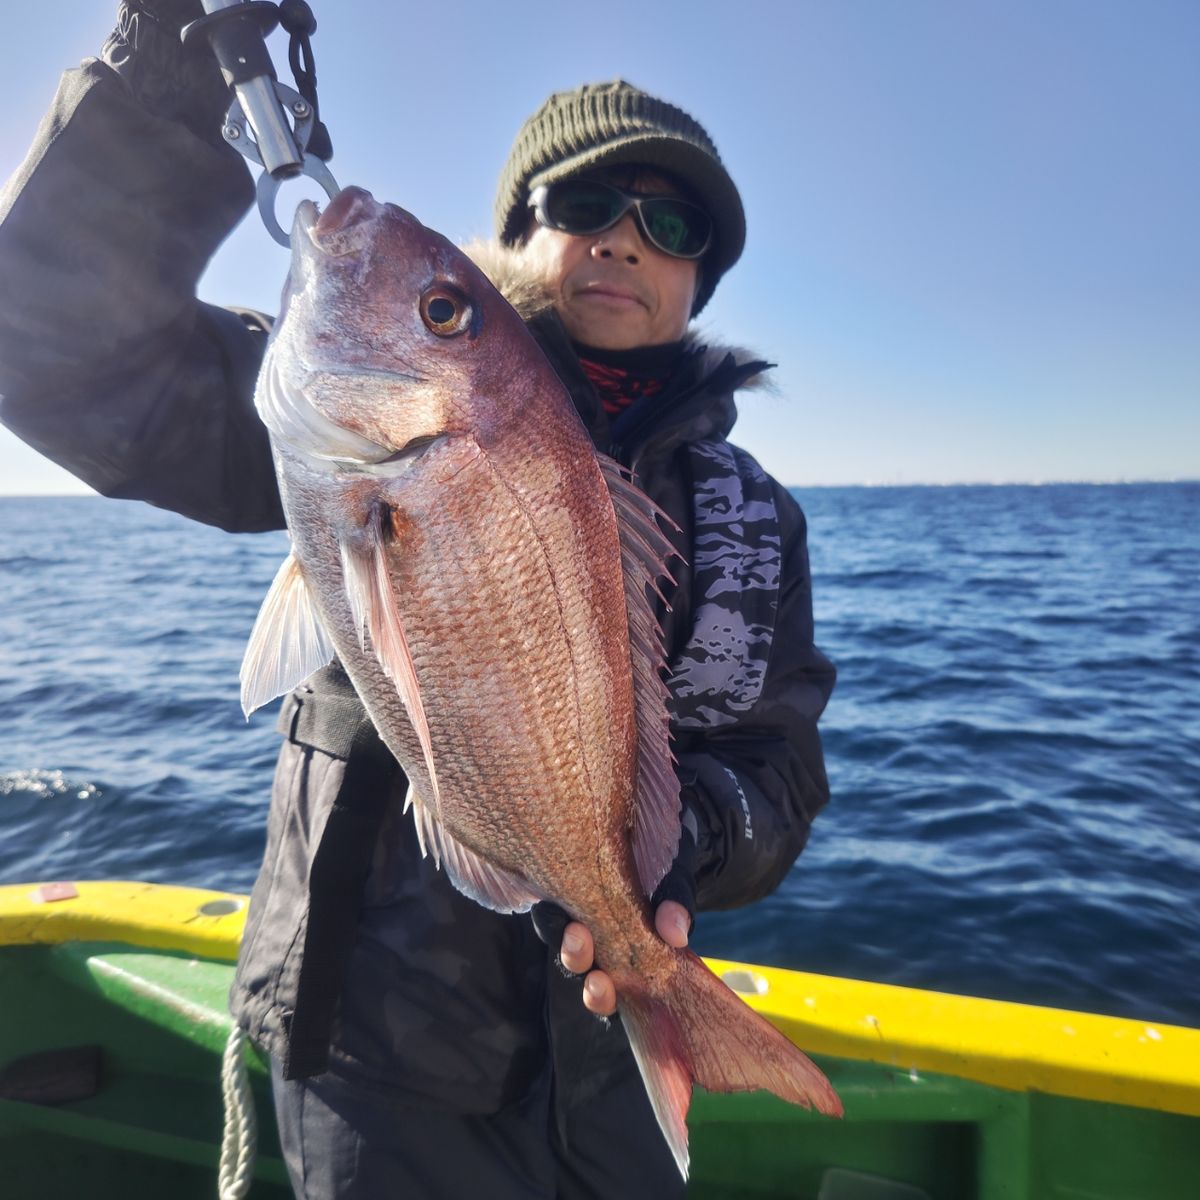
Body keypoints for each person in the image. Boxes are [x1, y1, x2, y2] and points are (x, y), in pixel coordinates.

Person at [0, 4, 836, 1197]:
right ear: (515, 234)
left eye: (671, 222)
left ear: (700, 275)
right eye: (584, 205)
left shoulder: (751, 519)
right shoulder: (341, 403)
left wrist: (674, 853)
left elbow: (778, 769)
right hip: (370, 1059)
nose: (624, 241)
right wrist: (157, 92)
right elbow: (57, 354)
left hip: (609, 1079)